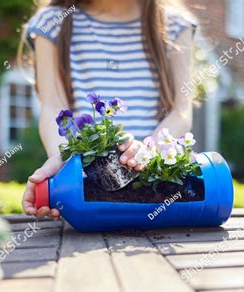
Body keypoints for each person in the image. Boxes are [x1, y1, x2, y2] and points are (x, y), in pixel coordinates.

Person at [21, 0, 196, 219]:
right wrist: (64, 163)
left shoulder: (175, 24)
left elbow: (180, 110)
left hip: (155, 185)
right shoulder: (53, 22)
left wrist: (147, 151)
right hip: (89, 187)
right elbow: (53, 108)